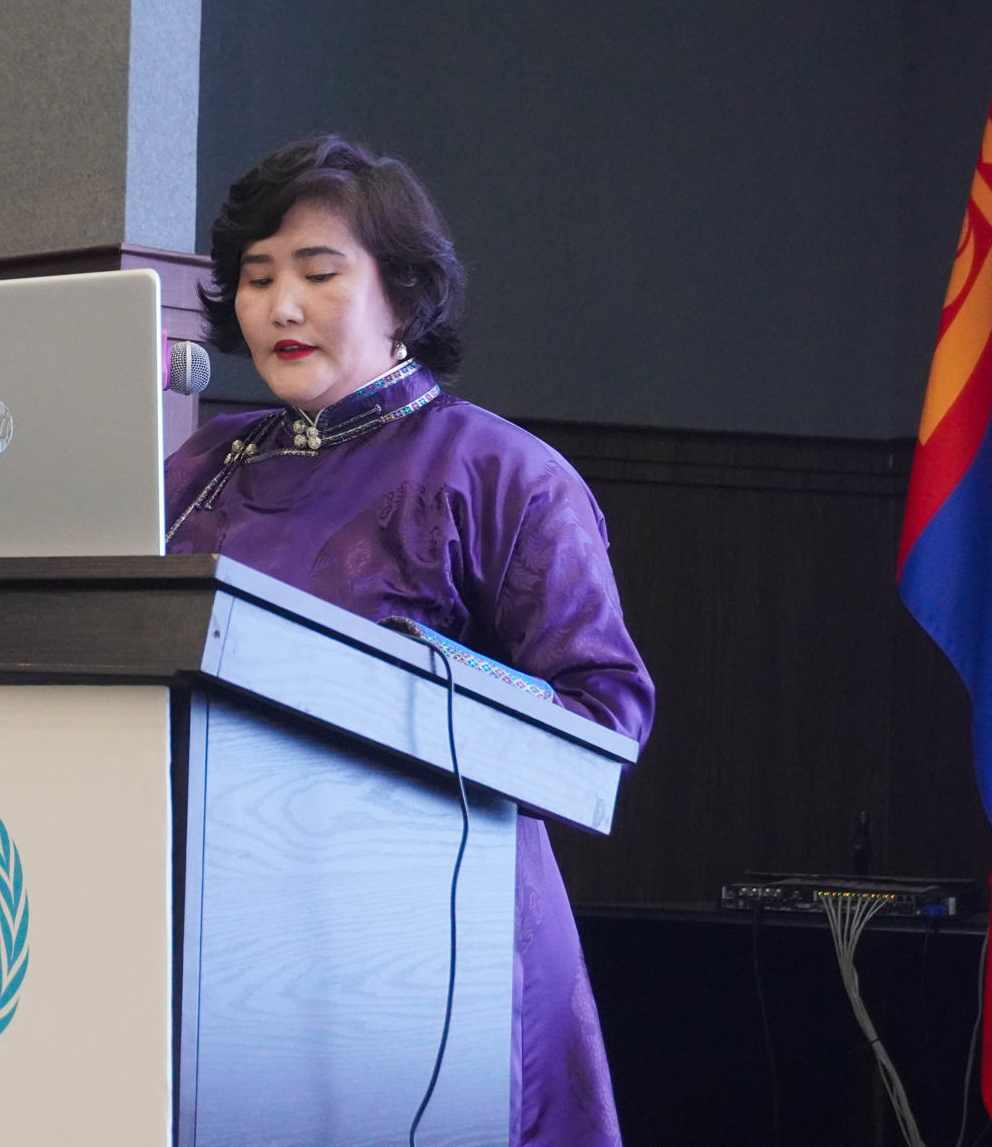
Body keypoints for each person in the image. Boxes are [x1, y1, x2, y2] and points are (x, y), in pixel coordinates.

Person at [165, 134, 655, 1147]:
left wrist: (402, 682)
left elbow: (604, 719)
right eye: (257, 276)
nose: (281, 306)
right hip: (230, 923)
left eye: (318, 273)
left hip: (436, 938)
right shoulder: (204, 464)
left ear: (404, 294)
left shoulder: (504, 473)